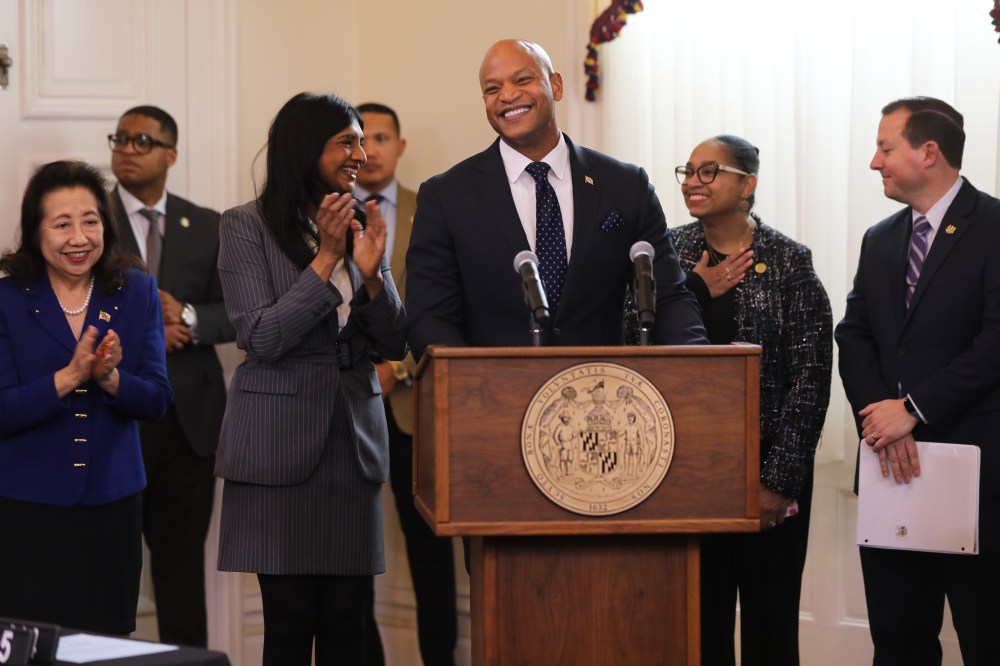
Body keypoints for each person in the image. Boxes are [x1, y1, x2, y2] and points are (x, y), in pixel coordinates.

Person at [214, 92, 407, 666]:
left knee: (350, 619)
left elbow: (394, 342)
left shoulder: (359, 220)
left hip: (351, 443)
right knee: (291, 620)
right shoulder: (245, 226)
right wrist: (325, 259)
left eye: (363, 141)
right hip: (278, 443)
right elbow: (262, 337)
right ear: (306, 148)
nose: (361, 154)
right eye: (347, 141)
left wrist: (373, 278)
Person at [406, 38, 705, 357]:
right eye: (493, 89)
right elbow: (430, 318)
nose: (507, 95)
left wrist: (698, 363)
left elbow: (669, 297)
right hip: (493, 385)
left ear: (556, 86)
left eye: (523, 79)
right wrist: (470, 381)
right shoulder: (445, 196)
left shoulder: (626, 185)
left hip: (602, 382)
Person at [836, 97, 1000, 666]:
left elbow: (995, 343)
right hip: (891, 472)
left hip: (980, 480)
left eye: (885, 148)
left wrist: (912, 409)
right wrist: (882, 418)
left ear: (929, 152)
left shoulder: (995, 227)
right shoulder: (880, 239)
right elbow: (854, 334)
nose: (874, 162)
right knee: (898, 641)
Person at [662, 135, 832, 665]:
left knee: (770, 628)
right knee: (697, 628)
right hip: (687, 473)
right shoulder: (667, 254)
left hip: (766, 471)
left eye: (709, 171)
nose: (693, 182)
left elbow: (810, 379)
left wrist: (777, 482)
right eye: (688, 171)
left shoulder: (788, 261)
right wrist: (695, 289)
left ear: (747, 184)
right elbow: (633, 341)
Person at [0, 160, 173, 634]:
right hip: (26, 509)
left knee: (108, 641)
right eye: (62, 224)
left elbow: (157, 399)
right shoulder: (8, 299)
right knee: (31, 645)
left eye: (90, 221)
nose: (79, 238)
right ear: (36, 231)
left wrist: (111, 379)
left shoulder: (136, 290)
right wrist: (70, 376)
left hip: (112, 508)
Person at [109, 104, 236, 647]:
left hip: (189, 426)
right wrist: (150, 331)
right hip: (114, 419)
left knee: (181, 574)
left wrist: (187, 317)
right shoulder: (89, 220)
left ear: (171, 154)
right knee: (109, 573)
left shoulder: (207, 223)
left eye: (142, 141)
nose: (127, 149)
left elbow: (239, 312)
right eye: (120, 138)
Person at [354, 102, 459, 666]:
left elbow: (447, 306)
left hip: (413, 408)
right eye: (360, 138)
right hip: (343, 407)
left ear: (401, 146)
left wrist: (396, 369)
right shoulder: (324, 214)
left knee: (429, 551)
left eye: (381, 137)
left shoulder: (432, 209)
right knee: (349, 552)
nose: (369, 149)